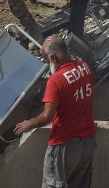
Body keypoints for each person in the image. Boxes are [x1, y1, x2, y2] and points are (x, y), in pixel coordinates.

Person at [14, 35, 96, 188]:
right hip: (88, 140)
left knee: (53, 184)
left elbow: (47, 116)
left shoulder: (56, 80)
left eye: (46, 59)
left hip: (64, 144)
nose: (46, 63)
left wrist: (30, 123)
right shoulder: (84, 67)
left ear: (53, 57)